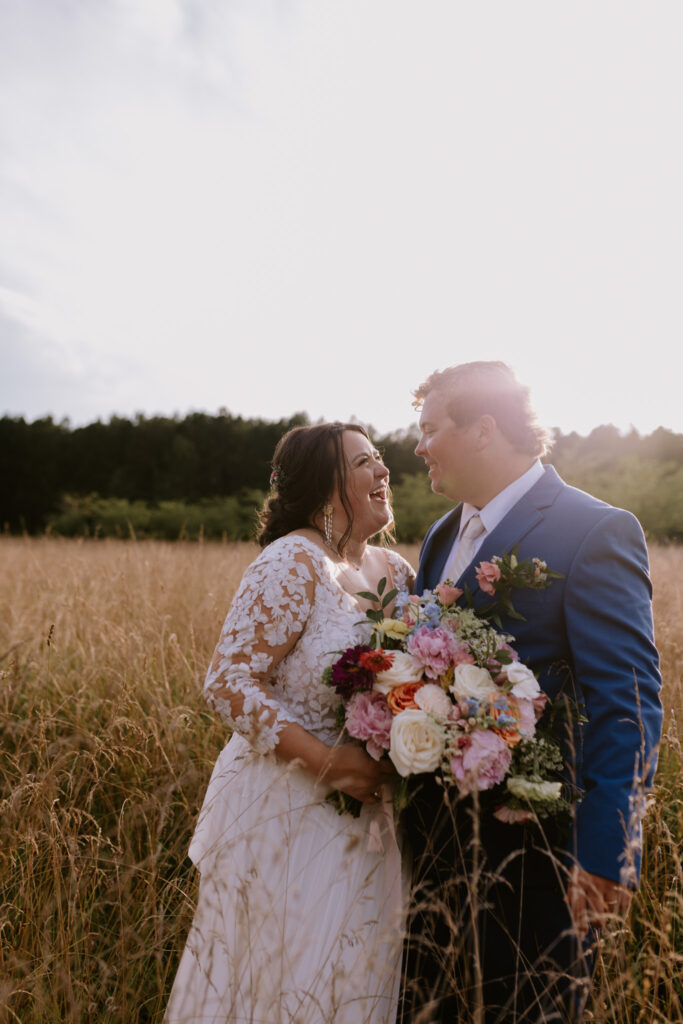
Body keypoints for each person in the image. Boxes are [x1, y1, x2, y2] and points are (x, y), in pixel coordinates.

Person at [400, 362, 662, 1023]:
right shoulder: (440, 534)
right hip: (435, 842)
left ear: (483, 428)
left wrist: (608, 852)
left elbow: (626, 700)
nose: (417, 445)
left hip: (540, 849)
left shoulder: (591, 529)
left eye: (429, 428)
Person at [164, 422, 414, 1024]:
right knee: (282, 985)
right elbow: (226, 683)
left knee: (356, 982)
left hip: (377, 820)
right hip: (288, 810)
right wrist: (332, 764)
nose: (384, 471)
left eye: (380, 457)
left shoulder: (399, 572)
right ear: (328, 486)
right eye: (365, 462)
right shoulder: (291, 560)